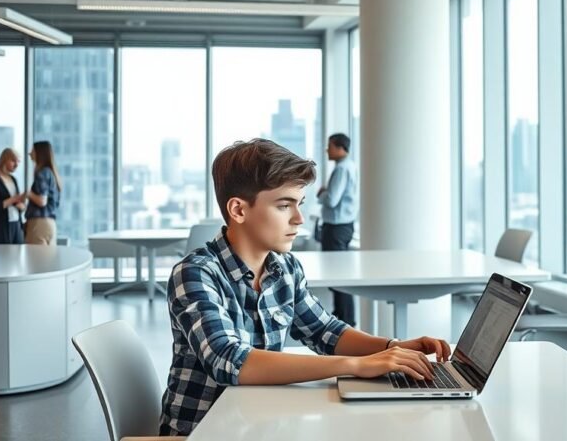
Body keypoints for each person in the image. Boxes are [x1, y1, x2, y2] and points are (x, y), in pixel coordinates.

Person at [160, 139, 449, 436]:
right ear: (238, 210)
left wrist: (392, 347)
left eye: (299, 205)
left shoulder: (285, 268)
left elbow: (326, 332)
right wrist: (356, 365)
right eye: (284, 205)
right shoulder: (196, 273)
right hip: (203, 432)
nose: (298, 219)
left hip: (259, 425)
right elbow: (229, 361)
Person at [317, 133, 359, 326]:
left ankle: (345, 321)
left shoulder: (342, 169)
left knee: (337, 276)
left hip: (336, 228)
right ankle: (344, 319)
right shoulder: (350, 166)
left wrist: (322, 193)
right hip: (344, 226)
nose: (327, 150)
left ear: (341, 147)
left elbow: (332, 200)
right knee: (340, 275)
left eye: (330, 146)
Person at [24, 140, 61, 245]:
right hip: (50, 224)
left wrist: (28, 193)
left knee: (36, 260)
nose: (30, 153)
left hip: (39, 224)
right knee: (46, 260)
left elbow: (41, 201)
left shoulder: (42, 173)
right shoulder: (51, 173)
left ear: (39, 153)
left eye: (32, 151)